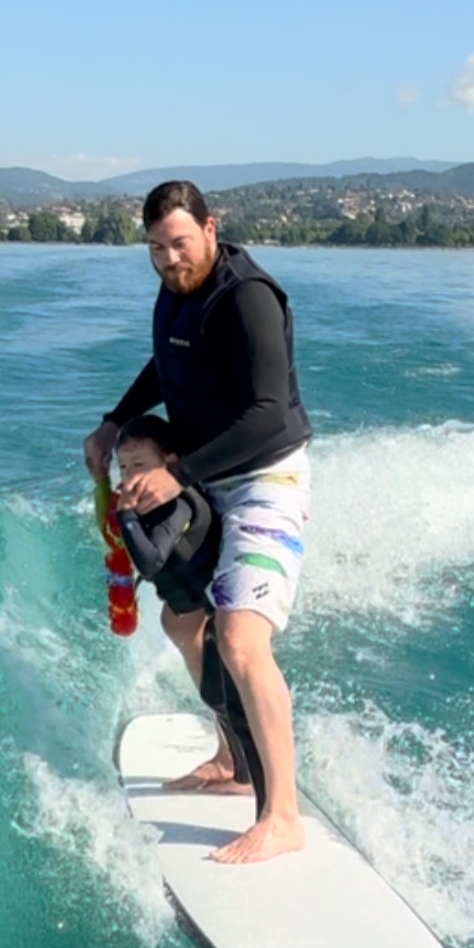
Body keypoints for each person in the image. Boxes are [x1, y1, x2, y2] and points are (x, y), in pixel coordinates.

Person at [84, 180, 312, 862]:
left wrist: (176, 474)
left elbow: (269, 413)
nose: (169, 259)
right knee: (184, 621)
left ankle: (284, 815)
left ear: (213, 228)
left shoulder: (246, 296)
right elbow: (168, 362)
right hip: (208, 473)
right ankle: (235, 760)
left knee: (241, 640)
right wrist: (114, 420)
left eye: (180, 243)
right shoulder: (175, 290)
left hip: (266, 476)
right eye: (155, 247)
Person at [112, 414, 267, 810]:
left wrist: (126, 517)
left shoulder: (177, 504)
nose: (130, 478)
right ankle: (230, 762)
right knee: (215, 696)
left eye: (140, 466)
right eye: (124, 467)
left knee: (222, 696)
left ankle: (246, 778)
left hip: (216, 611)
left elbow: (150, 561)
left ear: (170, 463)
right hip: (191, 609)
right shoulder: (153, 505)